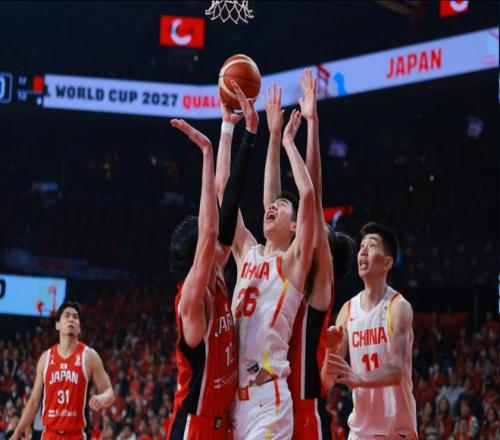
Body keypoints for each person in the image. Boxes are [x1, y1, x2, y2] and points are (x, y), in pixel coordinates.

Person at [262, 69, 355, 439]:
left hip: (305, 415)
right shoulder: (287, 273)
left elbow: (312, 194)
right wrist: (272, 137)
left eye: (318, 234)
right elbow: (272, 203)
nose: (310, 233)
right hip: (271, 406)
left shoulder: (319, 289)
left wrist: (312, 124)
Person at [219, 81, 315, 438]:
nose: (272, 207)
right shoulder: (248, 252)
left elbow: (308, 195)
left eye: (282, 207)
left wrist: (287, 140)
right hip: (232, 403)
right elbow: (224, 192)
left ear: (294, 227)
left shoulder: (294, 263)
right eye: (271, 206)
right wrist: (231, 128)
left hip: (268, 399)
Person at [167, 84, 257, 440]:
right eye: (208, 249)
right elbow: (208, 233)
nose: (218, 247)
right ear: (197, 260)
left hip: (226, 424)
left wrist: (229, 129)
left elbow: (224, 200)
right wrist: (206, 152)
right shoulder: (191, 300)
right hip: (195, 426)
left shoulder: (217, 274)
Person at [322, 222, 417, 439]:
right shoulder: (348, 310)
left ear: (387, 263)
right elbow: (328, 380)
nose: (363, 251)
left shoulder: (398, 307)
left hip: (396, 431)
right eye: (362, 246)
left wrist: (358, 378)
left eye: (372, 246)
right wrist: (329, 350)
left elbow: (396, 371)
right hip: (360, 431)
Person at [12, 301, 115, 440]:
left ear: (79, 328)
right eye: (67, 316)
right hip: (49, 434)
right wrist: (16, 434)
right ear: (57, 325)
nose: (71, 319)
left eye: (75, 317)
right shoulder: (46, 358)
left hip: (77, 435)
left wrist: (102, 398)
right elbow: (34, 401)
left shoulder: (89, 356)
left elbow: (110, 393)